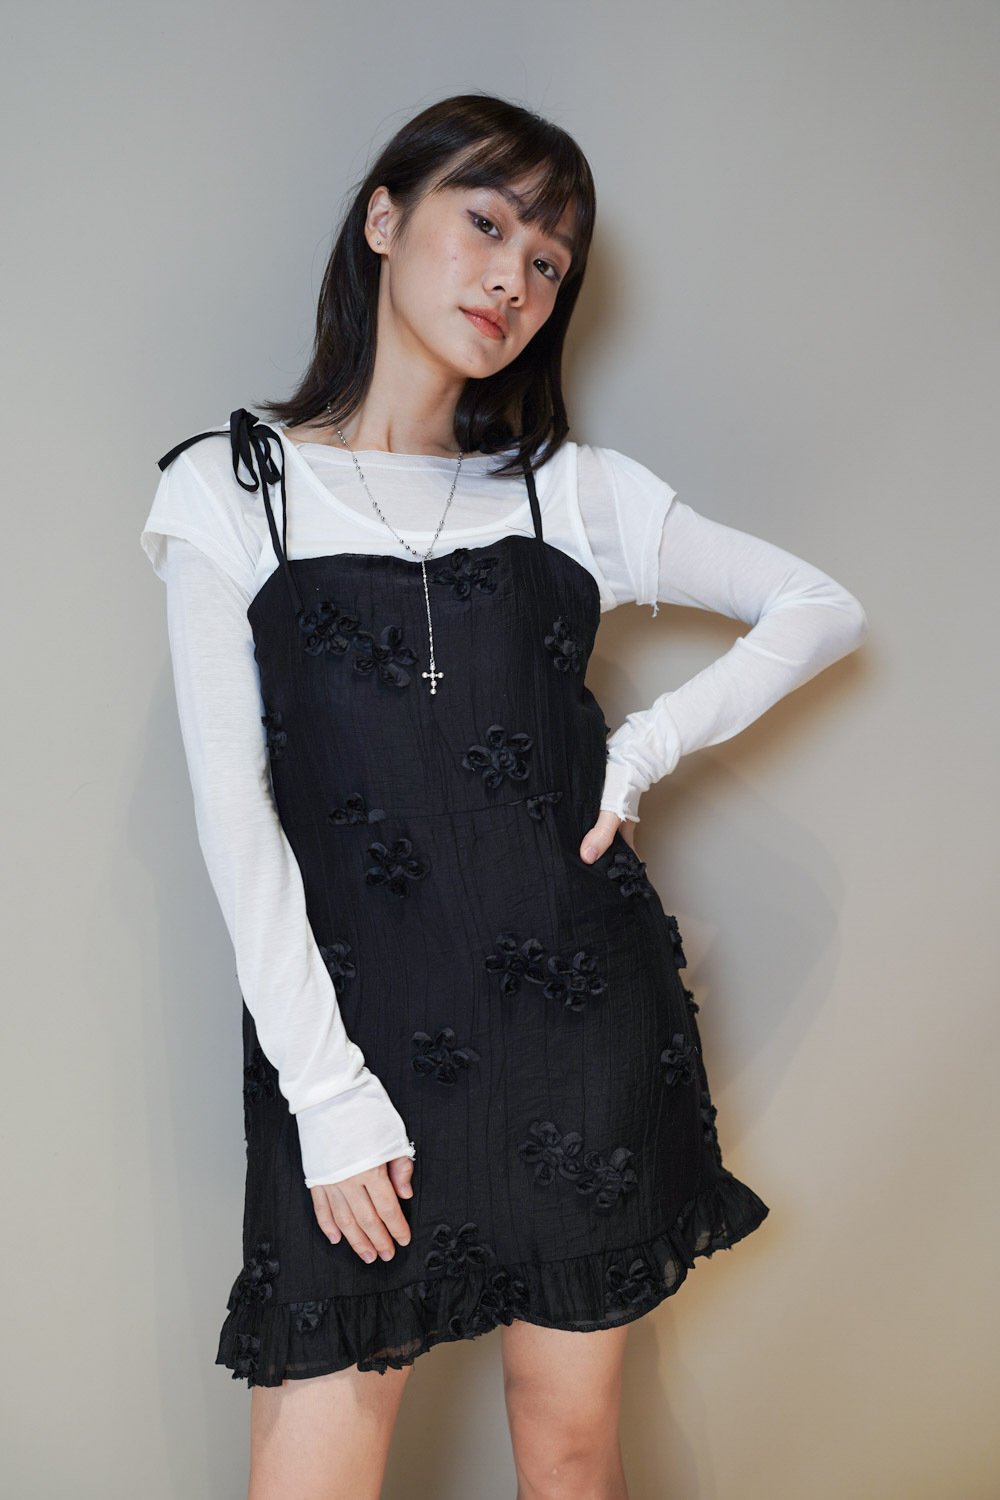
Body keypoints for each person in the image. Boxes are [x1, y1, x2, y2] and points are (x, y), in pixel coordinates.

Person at [141, 92, 868, 1500]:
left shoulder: (570, 493)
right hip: (346, 1049)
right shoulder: (232, 490)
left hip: (575, 1029)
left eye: (547, 261)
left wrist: (643, 748)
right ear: (383, 217)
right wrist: (328, 1096)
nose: (512, 280)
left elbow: (816, 607)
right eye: (485, 224)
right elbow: (236, 819)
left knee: (574, 1456)